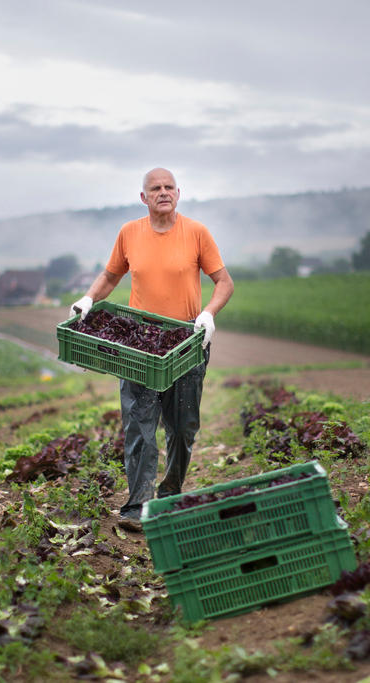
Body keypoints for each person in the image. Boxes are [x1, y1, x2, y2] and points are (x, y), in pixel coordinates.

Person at [72, 167, 234, 530]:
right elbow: (112, 275)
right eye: (155, 188)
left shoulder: (196, 233)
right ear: (143, 198)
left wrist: (208, 314)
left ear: (178, 193)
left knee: (183, 427)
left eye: (169, 187)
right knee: (139, 426)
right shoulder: (130, 233)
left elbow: (224, 281)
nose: (163, 192)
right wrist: (87, 299)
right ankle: (137, 507)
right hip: (139, 346)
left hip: (185, 345)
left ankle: (170, 493)